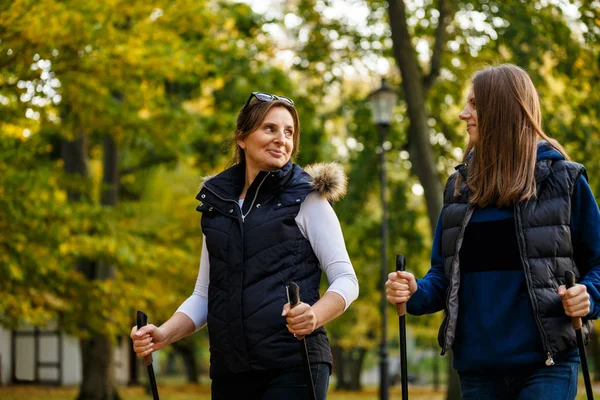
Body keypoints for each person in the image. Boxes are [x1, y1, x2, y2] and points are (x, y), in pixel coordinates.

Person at [386, 64, 600, 399]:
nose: (463, 114)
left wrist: (588, 294)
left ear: (500, 110)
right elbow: (444, 277)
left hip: (547, 366)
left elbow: (598, 263)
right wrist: (414, 291)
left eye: (474, 104)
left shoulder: (565, 181)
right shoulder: (457, 190)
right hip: (477, 372)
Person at [131, 91, 359, 400]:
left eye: (289, 132)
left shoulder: (307, 198)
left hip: (295, 363)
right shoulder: (217, 207)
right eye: (270, 128)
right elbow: (204, 295)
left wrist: (314, 315)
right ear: (242, 138)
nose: (282, 139)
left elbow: (347, 280)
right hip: (230, 370)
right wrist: (163, 334)